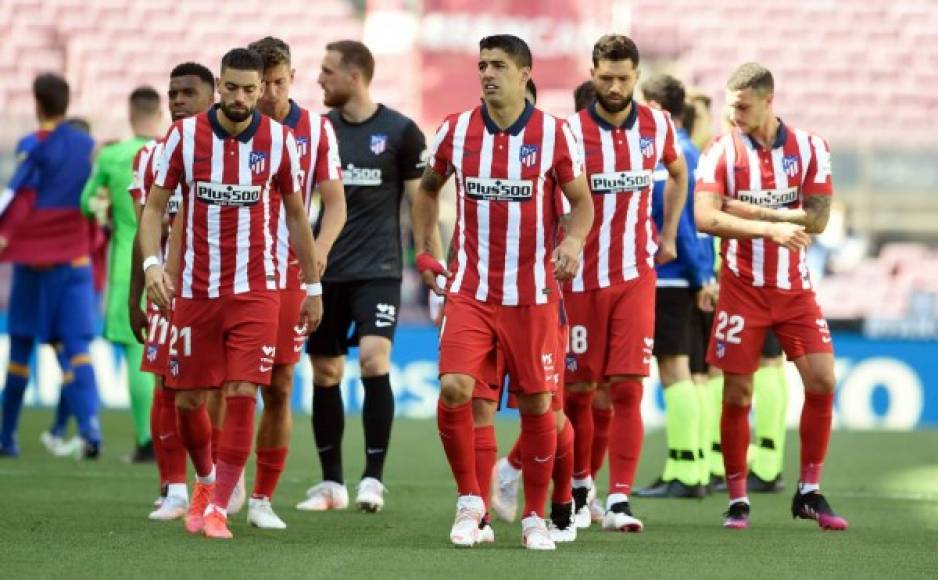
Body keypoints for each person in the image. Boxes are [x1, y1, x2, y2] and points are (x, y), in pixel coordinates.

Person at [412, 34, 593, 550]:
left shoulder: (555, 135)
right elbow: (426, 191)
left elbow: (581, 204)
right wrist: (427, 251)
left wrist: (574, 240)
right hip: (470, 290)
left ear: (525, 73)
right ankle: (472, 501)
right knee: (455, 390)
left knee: (538, 405)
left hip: (534, 296)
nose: (487, 73)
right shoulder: (455, 130)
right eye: (482, 65)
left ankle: (535, 516)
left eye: (498, 66)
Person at [139, 47, 324, 540]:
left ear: (262, 87)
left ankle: (220, 504)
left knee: (245, 392)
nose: (242, 97)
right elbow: (155, 208)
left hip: (258, 289)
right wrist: (153, 265)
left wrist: (312, 285)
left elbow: (298, 216)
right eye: (233, 88)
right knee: (187, 401)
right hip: (196, 289)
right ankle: (204, 482)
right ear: (219, 87)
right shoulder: (183, 137)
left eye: (251, 88)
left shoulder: (282, 142)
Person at [694, 62, 848, 531]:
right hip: (742, 290)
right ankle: (738, 498)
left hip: (795, 290)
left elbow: (819, 220)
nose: (732, 112)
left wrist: (739, 208)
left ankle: (808, 491)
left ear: (767, 100)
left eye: (741, 105)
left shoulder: (810, 147)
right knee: (738, 391)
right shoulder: (720, 151)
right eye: (729, 104)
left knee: (822, 379)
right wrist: (769, 225)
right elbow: (705, 217)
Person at [561, 35, 687, 532]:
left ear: (636, 75)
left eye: (623, 77)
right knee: (579, 391)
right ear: (592, 74)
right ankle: (576, 484)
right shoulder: (568, 132)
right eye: (605, 77)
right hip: (581, 279)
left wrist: (670, 233)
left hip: (636, 274)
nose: (614, 86)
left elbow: (678, 174)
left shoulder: (656, 124)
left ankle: (619, 500)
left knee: (629, 388)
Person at [297, 40, 427, 514]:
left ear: (355, 76)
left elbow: (420, 204)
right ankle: (331, 483)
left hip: (380, 270)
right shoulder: (316, 132)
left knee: (374, 360)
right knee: (326, 371)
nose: (319, 80)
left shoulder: (401, 132)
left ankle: (373, 478)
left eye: (327, 71)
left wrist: (429, 260)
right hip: (325, 272)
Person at [245, 36, 345, 529]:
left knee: (280, 386)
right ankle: (215, 482)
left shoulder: (317, 130)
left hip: (288, 274)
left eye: (277, 82)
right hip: (236, 269)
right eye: (260, 83)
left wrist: (317, 256)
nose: (266, 93)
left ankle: (262, 498)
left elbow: (335, 203)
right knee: (226, 385)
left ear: (292, 77)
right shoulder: (231, 125)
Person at [128, 62, 216, 520]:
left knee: (212, 391)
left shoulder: (227, 151)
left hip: (220, 287)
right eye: (172, 93)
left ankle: (217, 482)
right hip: (167, 290)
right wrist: (134, 296)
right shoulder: (149, 157)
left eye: (188, 93)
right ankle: (174, 489)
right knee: (166, 383)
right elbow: (146, 227)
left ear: (213, 96)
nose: (178, 101)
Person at [0, 74, 102, 459]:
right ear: (67, 101)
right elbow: (96, 201)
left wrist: (6, 236)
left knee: (20, 350)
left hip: (32, 264)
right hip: (74, 262)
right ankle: (91, 429)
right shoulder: (89, 149)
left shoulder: (31, 146)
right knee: (76, 349)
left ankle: (6, 436)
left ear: (37, 103)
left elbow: (23, 196)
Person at [635, 74, 714, 498]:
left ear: (659, 109)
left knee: (674, 369)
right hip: (691, 271)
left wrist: (700, 272)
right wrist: (706, 270)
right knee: (693, 371)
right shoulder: (695, 153)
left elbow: (681, 221)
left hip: (671, 274)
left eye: (644, 105)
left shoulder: (671, 156)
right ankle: (695, 466)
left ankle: (685, 471)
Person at [79, 86, 163, 463]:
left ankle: (148, 441)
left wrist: (105, 211)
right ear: (159, 112)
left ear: (131, 114)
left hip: (130, 267)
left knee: (138, 348)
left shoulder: (114, 156)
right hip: (175, 264)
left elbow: (86, 203)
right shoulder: (170, 152)